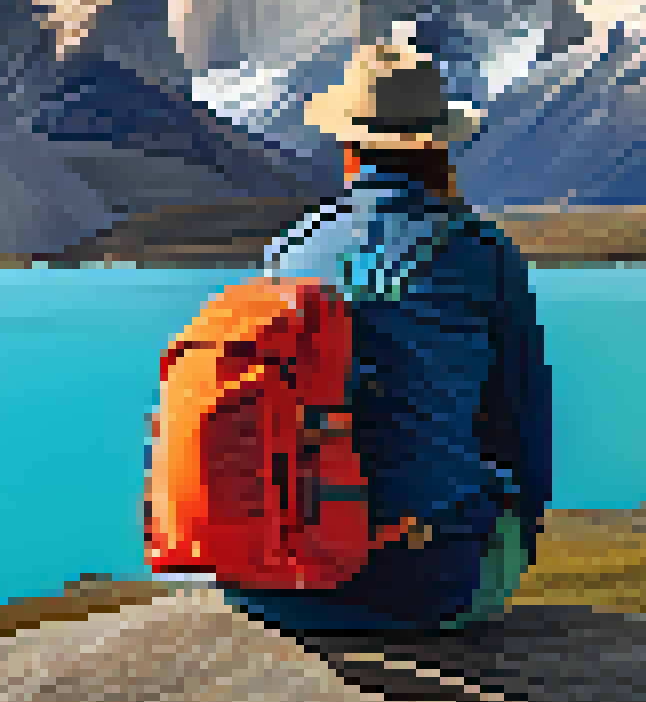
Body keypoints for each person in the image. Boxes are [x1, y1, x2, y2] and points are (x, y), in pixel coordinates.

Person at [215, 38, 552, 635]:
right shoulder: (478, 252)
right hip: (422, 584)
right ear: (440, 147)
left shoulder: (288, 253)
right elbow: (520, 427)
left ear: (348, 148)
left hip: (270, 585)